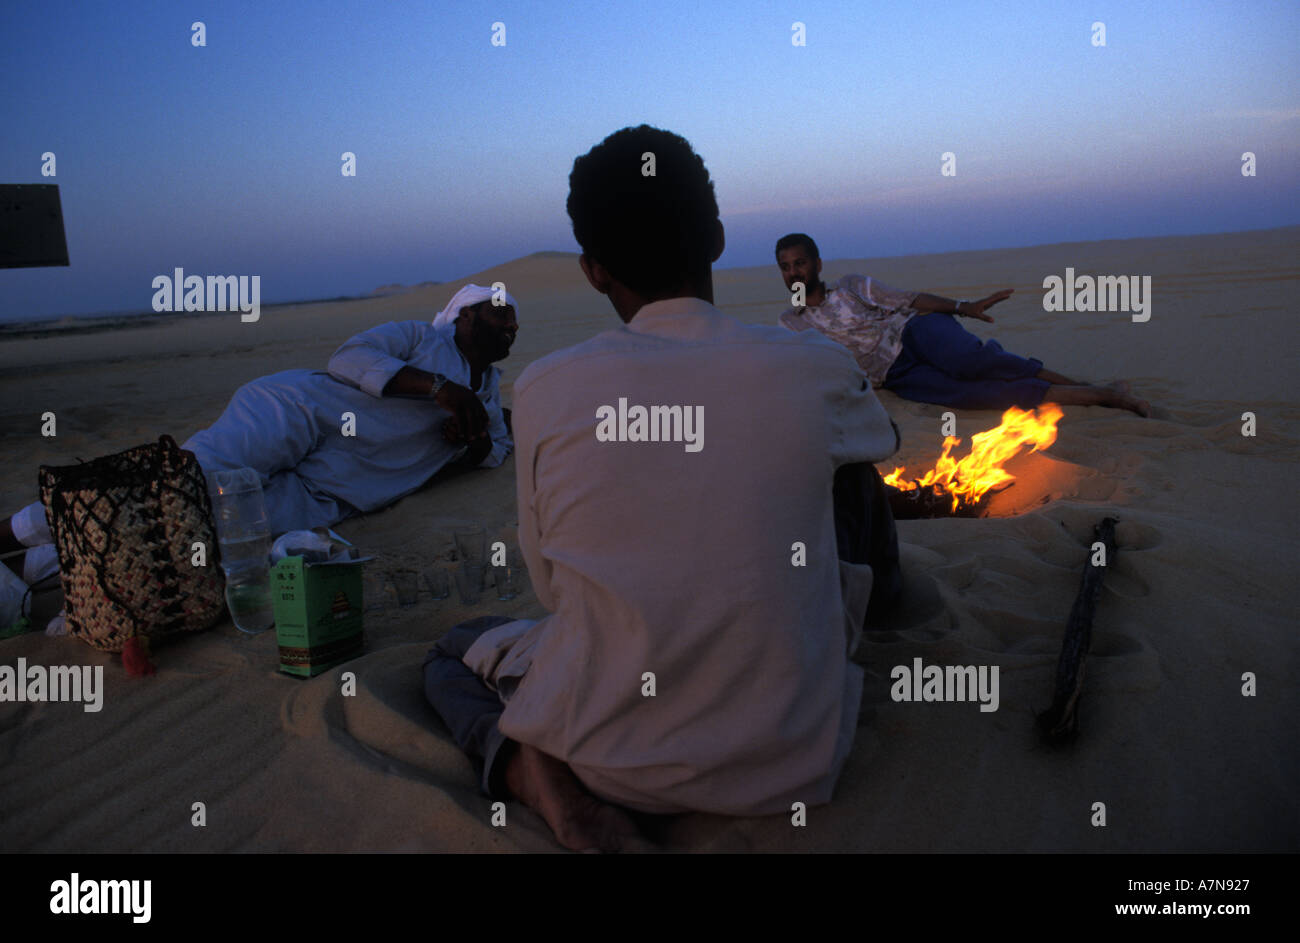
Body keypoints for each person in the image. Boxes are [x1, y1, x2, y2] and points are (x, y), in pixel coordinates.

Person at [423, 126, 903, 852]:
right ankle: (884, 619)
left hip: (608, 760)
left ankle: (539, 779)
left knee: (449, 652)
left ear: (591, 269)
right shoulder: (811, 364)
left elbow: (553, 590)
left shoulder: (547, 387)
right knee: (849, 471)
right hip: (797, 760)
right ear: (714, 237)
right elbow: (881, 448)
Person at [0, 284, 518, 626]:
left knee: (209, 535)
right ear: (466, 315)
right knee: (178, 484)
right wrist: (440, 389)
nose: (512, 326)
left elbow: (493, 452)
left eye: (515, 322)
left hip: (331, 489)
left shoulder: (490, 394)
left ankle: (33, 571)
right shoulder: (418, 336)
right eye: (502, 313)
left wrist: (469, 439)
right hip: (300, 413)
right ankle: (10, 531)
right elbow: (349, 358)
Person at [774, 233, 1151, 416]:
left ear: (817, 264)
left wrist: (963, 307)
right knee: (976, 395)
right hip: (894, 375)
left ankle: (1093, 387)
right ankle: (1102, 396)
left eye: (800, 263)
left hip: (915, 331)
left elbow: (908, 299)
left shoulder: (852, 286)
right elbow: (805, 368)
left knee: (974, 363)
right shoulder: (791, 323)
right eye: (786, 267)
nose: (794, 272)